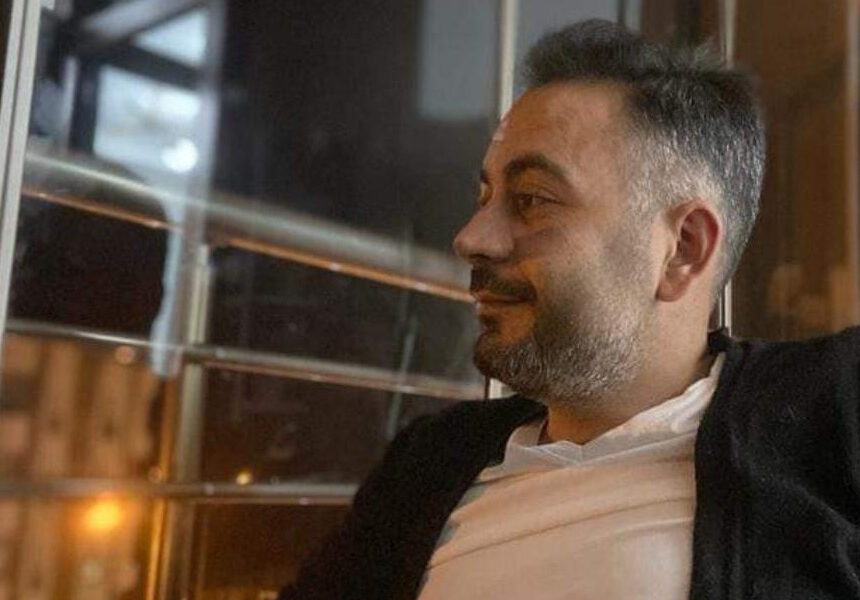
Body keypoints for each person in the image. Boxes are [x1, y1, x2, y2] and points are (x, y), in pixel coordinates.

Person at [279, 19, 860, 600]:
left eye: (531, 200)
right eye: (485, 198)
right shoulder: (426, 465)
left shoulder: (829, 419)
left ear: (682, 248)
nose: (471, 238)